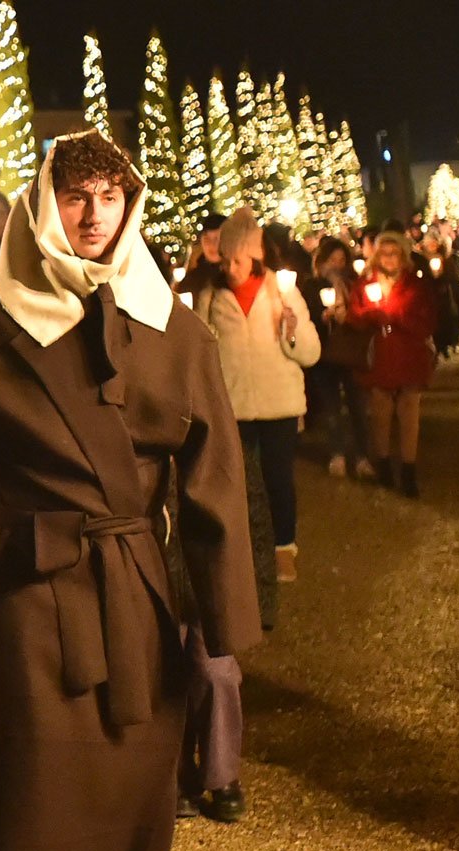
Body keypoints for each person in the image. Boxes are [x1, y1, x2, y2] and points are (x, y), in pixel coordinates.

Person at [0, 131, 260, 851]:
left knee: (141, 754)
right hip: (29, 574)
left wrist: (222, 612)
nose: (95, 212)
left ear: (130, 205)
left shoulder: (170, 326)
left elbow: (213, 468)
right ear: (44, 203)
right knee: (37, 752)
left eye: (111, 194)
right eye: (77, 194)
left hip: (135, 568)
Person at [188, 209, 321, 584]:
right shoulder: (212, 294)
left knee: (278, 478)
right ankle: (245, 550)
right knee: (240, 482)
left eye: (240, 259)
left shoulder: (282, 290)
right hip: (233, 404)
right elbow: (201, 349)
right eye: (226, 259)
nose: (233, 267)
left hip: (278, 402)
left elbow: (310, 353)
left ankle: (283, 549)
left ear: (256, 255)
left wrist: (290, 331)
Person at [345, 231, 440, 497]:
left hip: (409, 354)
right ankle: (384, 465)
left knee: (410, 414)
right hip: (380, 357)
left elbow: (426, 320)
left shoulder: (415, 284)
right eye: (384, 254)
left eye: (394, 253)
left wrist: (394, 315)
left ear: (403, 255)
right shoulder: (366, 283)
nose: (388, 259)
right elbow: (354, 316)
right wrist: (372, 315)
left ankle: (409, 470)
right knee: (381, 413)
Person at [305, 237, 376, 481]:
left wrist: (350, 316)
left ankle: (363, 455)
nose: (337, 264)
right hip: (325, 354)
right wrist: (322, 317)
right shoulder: (312, 286)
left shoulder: (353, 284)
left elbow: (365, 312)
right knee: (332, 407)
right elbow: (307, 317)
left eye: (341, 259)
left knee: (357, 405)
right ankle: (337, 453)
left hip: (349, 351)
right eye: (332, 259)